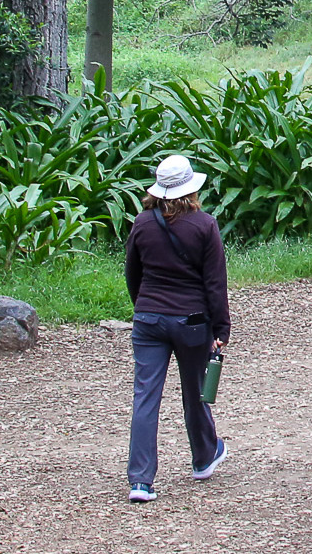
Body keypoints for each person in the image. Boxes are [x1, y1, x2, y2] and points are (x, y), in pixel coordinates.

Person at [123, 154, 230, 503]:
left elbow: (132, 275)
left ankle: (140, 480)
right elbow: (215, 283)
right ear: (190, 190)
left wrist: (145, 307)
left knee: (145, 397)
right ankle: (203, 457)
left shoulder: (142, 223)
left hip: (148, 318)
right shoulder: (204, 225)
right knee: (195, 392)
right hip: (192, 321)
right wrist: (221, 327)